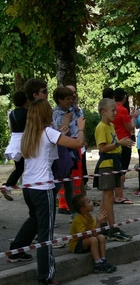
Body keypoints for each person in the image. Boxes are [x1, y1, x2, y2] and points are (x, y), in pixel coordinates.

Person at [8, 98, 85, 285]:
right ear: (45, 114)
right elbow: (78, 143)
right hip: (44, 188)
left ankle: (16, 248)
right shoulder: (48, 132)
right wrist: (81, 127)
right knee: (46, 234)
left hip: (28, 186)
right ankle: (46, 278)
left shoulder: (27, 135)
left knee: (34, 220)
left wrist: (63, 128)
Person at [94, 98, 134, 242]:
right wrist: (118, 143)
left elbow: (113, 144)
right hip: (106, 164)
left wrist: (122, 144)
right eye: (113, 110)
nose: (115, 113)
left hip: (114, 162)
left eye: (116, 110)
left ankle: (102, 226)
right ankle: (112, 228)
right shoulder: (101, 127)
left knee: (107, 197)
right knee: (109, 197)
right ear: (103, 112)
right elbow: (102, 147)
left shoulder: (110, 126)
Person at [69, 193, 117, 273]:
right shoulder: (78, 219)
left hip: (87, 240)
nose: (92, 203)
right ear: (83, 209)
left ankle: (103, 260)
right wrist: (93, 233)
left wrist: (98, 222)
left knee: (101, 237)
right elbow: (83, 235)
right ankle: (98, 264)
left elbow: (95, 233)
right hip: (76, 244)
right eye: (89, 202)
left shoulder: (90, 217)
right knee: (93, 240)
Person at [52, 86, 80, 220]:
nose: (71, 100)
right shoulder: (57, 113)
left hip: (69, 150)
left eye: (71, 98)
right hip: (61, 152)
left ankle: (73, 212)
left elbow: (79, 122)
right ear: (60, 100)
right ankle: (50, 214)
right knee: (58, 184)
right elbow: (60, 132)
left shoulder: (69, 110)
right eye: (68, 98)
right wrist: (66, 124)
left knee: (69, 183)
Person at [2, 91, 29, 201]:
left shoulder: (12, 113)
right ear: (26, 100)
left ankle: (7, 186)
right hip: (26, 140)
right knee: (29, 167)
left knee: (19, 168)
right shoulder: (28, 112)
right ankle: (28, 190)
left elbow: (11, 128)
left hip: (15, 140)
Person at [111, 88, 135, 204]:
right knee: (122, 170)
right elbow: (129, 127)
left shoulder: (110, 108)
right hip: (124, 141)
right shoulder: (123, 110)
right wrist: (134, 118)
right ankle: (119, 196)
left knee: (115, 169)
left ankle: (113, 194)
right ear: (124, 97)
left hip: (112, 140)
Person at [66, 85, 89, 191]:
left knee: (81, 169)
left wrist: (85, 138)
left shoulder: (78, 109)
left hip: (80, 141)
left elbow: (82, 124)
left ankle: (81, 193)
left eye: (75, 92)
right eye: (71, 93)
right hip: (70, 143)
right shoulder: (64, 110)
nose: (74, 95)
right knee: (72, 171)